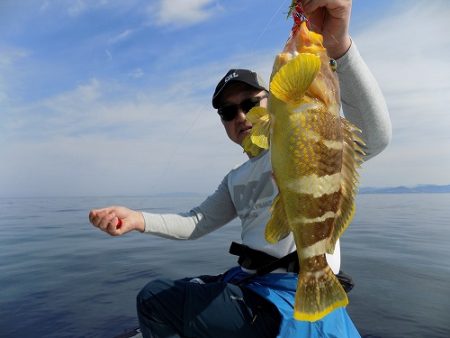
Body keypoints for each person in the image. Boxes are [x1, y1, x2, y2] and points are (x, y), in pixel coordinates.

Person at [89, 0, 392, 337]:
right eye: (227, 112)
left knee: (153, 299)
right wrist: (136, 219)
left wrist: (339, 48)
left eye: (250, 103)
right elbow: (196, 222)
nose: (241, 117)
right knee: (172, 295)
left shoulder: (306, 141)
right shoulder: (234, 180)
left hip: (292, 292)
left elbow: (376, 137)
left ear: (270, 99)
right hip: (252, 288)